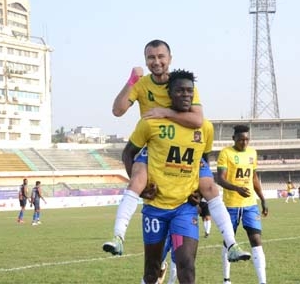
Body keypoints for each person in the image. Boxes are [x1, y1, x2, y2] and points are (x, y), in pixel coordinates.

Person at [103, 40, 250, 263]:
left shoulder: (181, 83)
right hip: (156, 145)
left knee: (209, 187)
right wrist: (132, 80)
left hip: (186, 147)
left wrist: (163, 112)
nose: (156, 61)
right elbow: (117, 110)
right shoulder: (142, 84)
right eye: (151, 57)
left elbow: (197, 119)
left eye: (161, 56)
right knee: (136, 180)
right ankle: (118, 236)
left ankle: (231, 243)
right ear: (146, 60)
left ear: (170, 59)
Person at [120, 69, 213, 283]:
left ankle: (232, 243)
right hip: (156, 206)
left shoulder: (202, 126)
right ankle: (118, 235)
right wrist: (140, 188)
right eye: (180, 91)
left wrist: (200, 193)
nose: (185, 94)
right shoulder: (150, 121)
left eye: (189, 91)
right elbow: (128, 152)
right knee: (152, 270)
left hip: (184, 207)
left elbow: (203, 162)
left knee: (186, 266)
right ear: (169, 93)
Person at [217, 125, 269, 284]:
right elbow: (220, 178)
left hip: (250, 204)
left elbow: (254, 178)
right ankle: (226, 279)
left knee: (256, 239)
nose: (244, 142)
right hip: (231, 205)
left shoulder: (252, 153)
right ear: (234, 139)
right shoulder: (226, 153)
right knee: (229, 242)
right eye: (241, 139)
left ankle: (262, 281)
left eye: (247, 139)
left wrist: (263, 199)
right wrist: (236, 188)